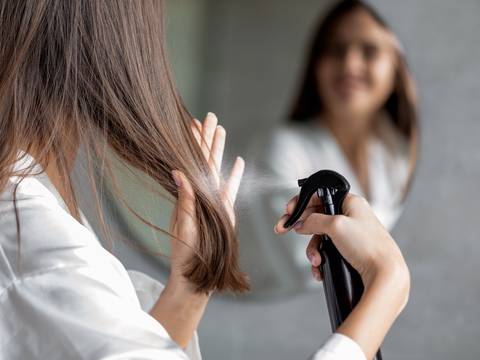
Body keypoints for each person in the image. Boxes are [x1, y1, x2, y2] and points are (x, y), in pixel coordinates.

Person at [0, 1, 409, 359]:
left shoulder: (32, 220)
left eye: (370, 50)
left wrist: (189, 287)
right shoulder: (31, 241)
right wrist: (385, 287)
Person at [245, 0, 417, 291]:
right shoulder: (282, 148)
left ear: (396, 68)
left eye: (369, 50)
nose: (350, 64)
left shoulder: (398, 153)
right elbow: (312, 272)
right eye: (335, 49)